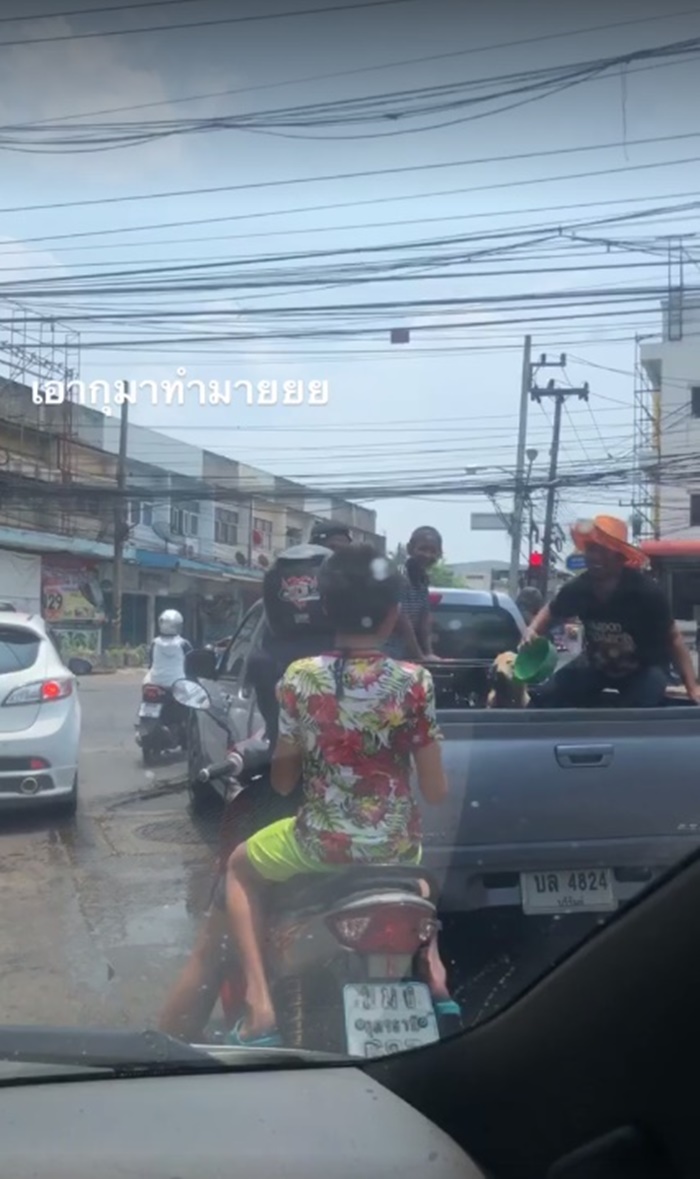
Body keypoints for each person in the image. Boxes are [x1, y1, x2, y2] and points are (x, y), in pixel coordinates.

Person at [158, 544, 456, 1045]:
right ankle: (437, 976)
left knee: (238, 868)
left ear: (326, 610)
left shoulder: (301, 676)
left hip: (319, 844)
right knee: (420, 882)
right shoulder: (415, 682)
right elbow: (435, 789)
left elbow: (281, 782)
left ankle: (259, 1006)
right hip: (396, 846)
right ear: (392, 614)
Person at [522, 515, 700, 708]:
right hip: (598, 668)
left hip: (644, 670)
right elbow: (551, 609)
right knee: (546, 695)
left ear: (620, 557)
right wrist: (532, 630)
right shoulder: (579, 588)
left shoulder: (646, 592)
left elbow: (674, 639)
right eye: (592, 549)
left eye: (604, 551)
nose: (596, 557)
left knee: (639, 707)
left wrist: (692, 688)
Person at [386, 526, 443, 661]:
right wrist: (420, 657)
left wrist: (428, 653)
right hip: (391, 654)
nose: (428, 555)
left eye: (433, 551)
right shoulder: (399, 575)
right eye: (423, 549)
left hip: (409, 655)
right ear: (410, 549)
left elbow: (425, 617)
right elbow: (402, 620)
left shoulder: (423, 579)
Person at [146, 609, 192, 688]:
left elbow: (150, 663)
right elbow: (191, 663)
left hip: (155, 682)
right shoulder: (183, 644)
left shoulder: (155, 643)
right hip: (179, 683)